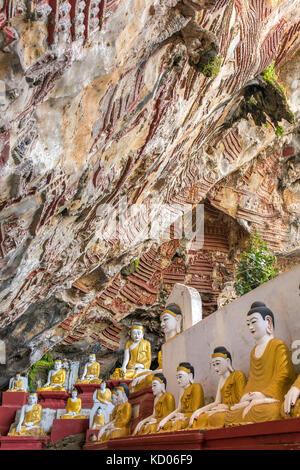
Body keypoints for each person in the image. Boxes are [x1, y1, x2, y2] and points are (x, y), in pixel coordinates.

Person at [224, 301, 295, 426]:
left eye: (253, 322)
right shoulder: (253, 352)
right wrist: (247, 396)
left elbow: (284, 375)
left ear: (268, 322)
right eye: (248, 324)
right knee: (231, 415)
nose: (250, 327)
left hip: (271, 398)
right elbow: (252, 379)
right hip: (257, 398)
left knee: (270, 411)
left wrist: (263, 394)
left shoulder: (278, 345)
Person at [190, 347, 246, 429]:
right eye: (214, 365)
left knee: (217, 418)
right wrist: (199, 411)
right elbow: (217, 401)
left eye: (218, 363)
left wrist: (227, 407)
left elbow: (242, 401)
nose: (216, 368)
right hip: (222, 409)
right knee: (202, 418)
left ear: (227, 361)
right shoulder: (221, 380)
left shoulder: (238, 375)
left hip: (234, 410)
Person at [157, 362, 204, 432]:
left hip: (192, 416)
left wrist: (183, 416)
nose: (178, 380)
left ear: (190, 376)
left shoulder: (196, 387)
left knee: (177, 424)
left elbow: (195, 409)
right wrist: (165, 420)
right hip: (183, 416)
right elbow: (179, 409)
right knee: (167, 424)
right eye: (177, 377)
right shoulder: (182, 391)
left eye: (180, 376)